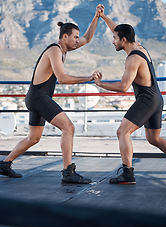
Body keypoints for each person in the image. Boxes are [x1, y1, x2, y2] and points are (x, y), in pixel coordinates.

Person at [0, 7, 100, 184]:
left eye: (77, 37)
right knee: (68, 127)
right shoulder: (55, 50)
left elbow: (88, 38)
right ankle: (68, 172)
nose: (78, 40)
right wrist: (88, 78)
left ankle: (5, 164)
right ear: (65, 36)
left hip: (35, 97)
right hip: (38, 97)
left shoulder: (63, 50)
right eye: (75, 37)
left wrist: (96, 17)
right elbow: (62, 78)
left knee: (34, 138)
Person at [93, 4, 166, 184]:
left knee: (122, 131)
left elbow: (123, 87)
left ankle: (128, 173)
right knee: (154, 138)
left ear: (124, 40)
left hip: (147, 100)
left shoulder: (132, 59)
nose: (113, 41)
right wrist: (103, 17)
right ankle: (128, 172)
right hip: (157, 98)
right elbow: (118, 29)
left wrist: (100, 84)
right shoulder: (138, 46)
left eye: (115, 38)